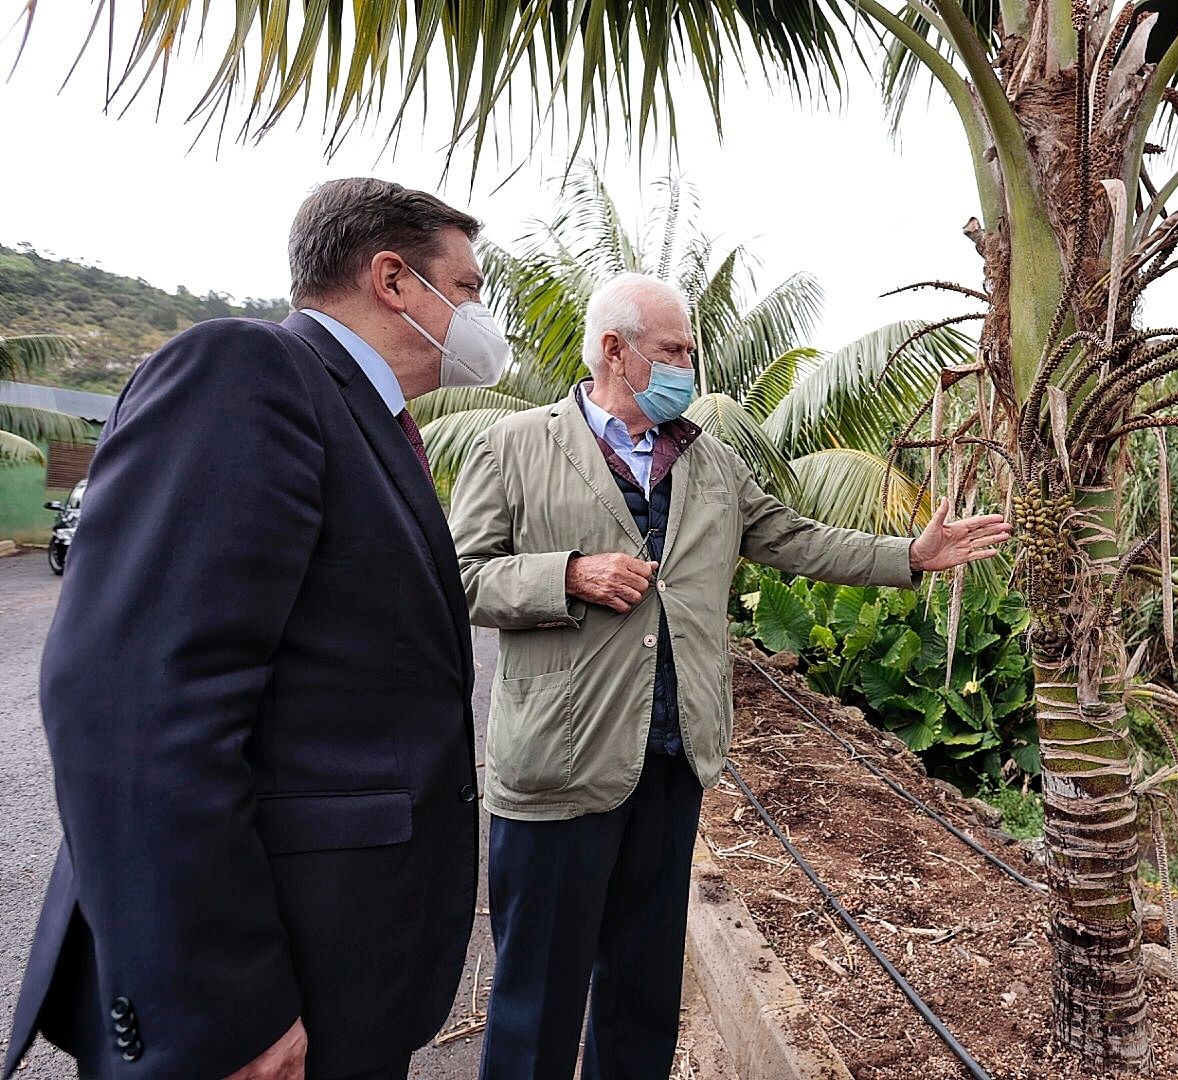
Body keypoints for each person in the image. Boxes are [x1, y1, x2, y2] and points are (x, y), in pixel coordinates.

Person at [450, 272, 1011, 1080]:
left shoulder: (707, 461)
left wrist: (909, 557)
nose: (690, 368)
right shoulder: (515, 447)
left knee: (644, 991)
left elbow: (793, 536)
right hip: (559, 763)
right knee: (538, 997)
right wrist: (565, 575)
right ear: (615, 350)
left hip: (673, 760)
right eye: (675, 350)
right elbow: (461, 576)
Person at [5, 177, 506, 1080]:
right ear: (394, 280)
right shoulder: (248, 371)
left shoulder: (370, 421)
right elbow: (134, 707)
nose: (479, 315)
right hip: (261, 1004)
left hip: (340, 969)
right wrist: (227, 1007)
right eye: (466, 289)